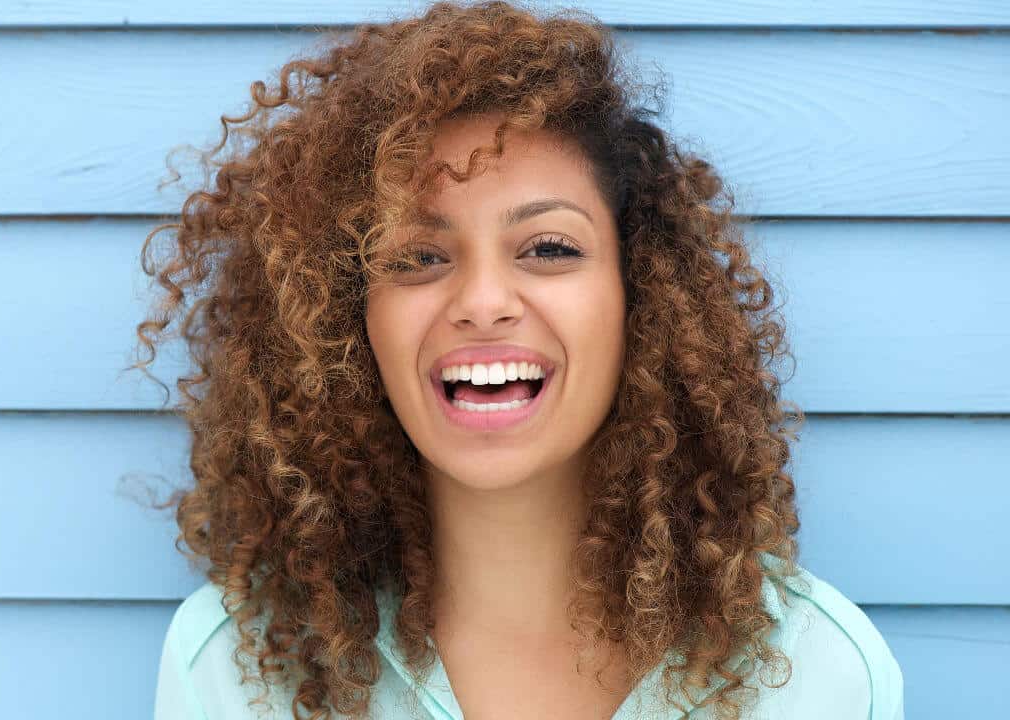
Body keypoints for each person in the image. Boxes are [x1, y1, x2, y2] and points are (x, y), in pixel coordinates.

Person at [139, 2, 904, 718]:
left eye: (549, 248)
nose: (482, 302)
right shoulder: (235, 668)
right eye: (419, 257)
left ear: (639, 296)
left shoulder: (817, 673)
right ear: (344, 318)